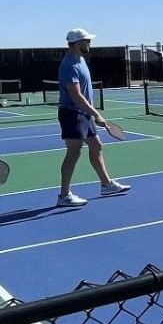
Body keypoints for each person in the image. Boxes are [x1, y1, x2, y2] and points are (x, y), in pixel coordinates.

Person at [56, 28, 130, 207]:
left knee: (96, 145)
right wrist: (96, 114)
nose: (90, 43)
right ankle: (64, 196)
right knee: (73, 153)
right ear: (79, 43)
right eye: (87, 40)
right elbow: (76, 96)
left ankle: (106, 184)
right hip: (72, 114)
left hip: (84, 113)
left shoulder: (80, 59)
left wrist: (91, 113)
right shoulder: (69, 65)